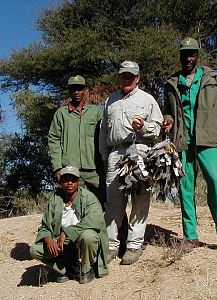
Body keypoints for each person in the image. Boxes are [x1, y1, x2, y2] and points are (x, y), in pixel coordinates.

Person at [162, 37, 217, 255]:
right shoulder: (171, 83)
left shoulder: (212, 77)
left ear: (198, 55)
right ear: (180, 56)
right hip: (183, 140)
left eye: (192, 54)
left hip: (208, 137)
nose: (188, 58)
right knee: (185, 187)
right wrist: (168, 120)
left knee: (215, 180)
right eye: (185, 54)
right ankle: (191, 236)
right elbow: (168, 109)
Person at [99, 61, 163, 265]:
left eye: (131, 76)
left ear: (137, 78)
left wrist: (144, 127)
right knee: (113, 201)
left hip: (140, 151)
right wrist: (104, 155)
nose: (126, 79)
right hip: (115, 153)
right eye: (123, 75)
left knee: (140, 198)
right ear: (119, 77)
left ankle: (134, 246)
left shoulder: (148, 99)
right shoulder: (110, 100)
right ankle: (111, 246)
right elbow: (103, 132)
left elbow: (158, 129)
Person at [30, 166, 109, 284]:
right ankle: (66, 269)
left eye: (73, 180)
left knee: (89, 236)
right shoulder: (55, 199)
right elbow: (45, 226)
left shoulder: (88, 197)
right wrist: (48, 239)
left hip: (81, 241)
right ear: (61, 182)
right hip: (62, 244)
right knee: (35, 250)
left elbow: (94, 221)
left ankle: (86, 269)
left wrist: (67, 232)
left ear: (78, 182)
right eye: (66, 180)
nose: (69, 183)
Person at [48, 75, 105, 206]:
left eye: (79, 88)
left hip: (94, 168)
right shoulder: (61, 114)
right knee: (71, 206)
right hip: (70, 169)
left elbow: (104, 138)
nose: (76, 92)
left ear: (85, 90)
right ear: (69, 90)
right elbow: (54, 140)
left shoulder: (96, 112)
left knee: (107, 201)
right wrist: (57, 167)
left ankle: (121, 227)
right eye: (73, 89)